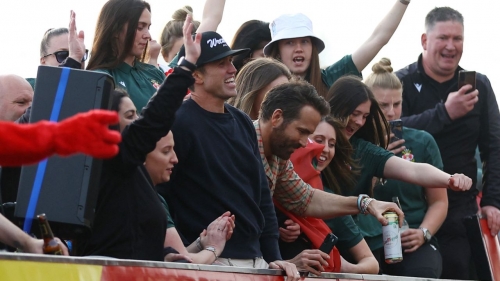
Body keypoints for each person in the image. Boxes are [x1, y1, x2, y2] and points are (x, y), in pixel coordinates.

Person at [158, 30, 299, 280]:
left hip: (256, 262)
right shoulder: (178, 122)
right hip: (209, 265)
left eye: (231, 62)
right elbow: (160, 195)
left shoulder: (243, 121)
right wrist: (186, 254)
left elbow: (262, 196)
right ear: (196, 74)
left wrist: (273, 256)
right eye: (221, 64)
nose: (232, 69)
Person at [83, 15, 225, 262]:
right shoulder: (113, 161)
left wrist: (189, 248)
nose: (138, 121)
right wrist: (187, 65)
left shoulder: (134, 178)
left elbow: (143, 247)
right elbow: (154, 119)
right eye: (130, 115)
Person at [394, 7, 500, 279]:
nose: (451, 46)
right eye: (443, 38)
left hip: (460, 207)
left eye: (458, 39)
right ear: (425, 40)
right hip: (409, 206)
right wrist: (445, 113)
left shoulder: (481, 86)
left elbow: (495, 147)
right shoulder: (401, 82)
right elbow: (390, 132)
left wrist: (492, 200)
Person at [326, 75, 472, 266]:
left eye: (365, 116)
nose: (360, 122)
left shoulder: (364, 149)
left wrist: (449, 179)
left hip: (360, 239)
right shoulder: (313, 138)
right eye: (355, 113)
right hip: (320, 233)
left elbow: (414, 171)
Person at [109, 88, 235, 265]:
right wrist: (214, 248)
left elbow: (172, 256)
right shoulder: (131, 193)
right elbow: (185, 263)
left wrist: (201, 243)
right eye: (166, 151)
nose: (175, 159)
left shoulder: (151, 194)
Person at [364, 58, 446, 278]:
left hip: (412, 237)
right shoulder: (355, 143)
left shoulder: (422, 142)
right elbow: (347, 195)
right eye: (383, 105)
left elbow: (439, 201)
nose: (391, 112)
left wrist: (424, 233)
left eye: (397, 103)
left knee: (422, 270)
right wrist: (380, 160)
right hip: (367, 239)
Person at [281, 116, 379, 275]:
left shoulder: (330, 200)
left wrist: (340, 265)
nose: (325, 149)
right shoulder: (271, 184)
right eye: (318, 140)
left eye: (332, 144)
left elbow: (371, 264)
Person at [263, 0, 410, 97]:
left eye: (305, 41)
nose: (299, 48)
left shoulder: (330, 78)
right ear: (278, 51)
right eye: (290, 42)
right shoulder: (264, 87)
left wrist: (403, 2)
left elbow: (378, 39)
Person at [86, 0, 165, 112]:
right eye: (139, 27)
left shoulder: (153, 72)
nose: (148, 35)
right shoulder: (101, 78)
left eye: (148, 27)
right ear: (115, 30)